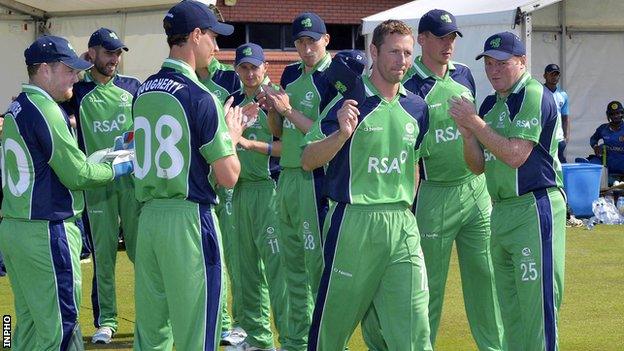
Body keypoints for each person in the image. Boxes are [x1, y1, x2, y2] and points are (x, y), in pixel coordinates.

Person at [301, 19, 432, 351]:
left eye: (407, 53)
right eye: (393, 52)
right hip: (354, 223)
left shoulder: (417, 107)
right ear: (373, 52)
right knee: (332, 328)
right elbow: (308, 159)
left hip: (402, 224)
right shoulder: (351, 102)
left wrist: (405, 209)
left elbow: (414, 163)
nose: (401, 61)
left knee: (415, 324)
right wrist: (341, 134)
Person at [0, 35, 133, 351]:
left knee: (31, 324)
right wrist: (119, 166)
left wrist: (100, 159)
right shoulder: (45, 109)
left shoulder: (18, 105)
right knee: (62, 328)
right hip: (46, 231)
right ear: (45, 70)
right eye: (69, 69)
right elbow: (78, 174)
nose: (76, 75)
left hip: (17, 228)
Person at [131, 1, 246, 350]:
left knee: (152, 334)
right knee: (198, 331)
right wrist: (233, 136)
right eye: (211, 36)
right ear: (195, 36)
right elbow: (228, 176)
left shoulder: (142, 90)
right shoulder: (201, 95)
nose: (215, 46)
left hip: (148, 219)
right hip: (189, 221)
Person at [449, 31, 566, 351]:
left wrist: (475, 124)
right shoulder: (489, 104)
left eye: (502, 62)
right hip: (500, 210)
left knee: (536, 307)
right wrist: (467, 135)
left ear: (523, 62)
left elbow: (516, 155)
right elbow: (476, 166)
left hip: (533, 205)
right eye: (488, 63)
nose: (493, 69)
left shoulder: (531, 93)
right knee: (510, 308)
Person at [397, 9, 504, 350]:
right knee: (428, 288)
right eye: (440, 37)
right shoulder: (409, 86)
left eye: (452, 38)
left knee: (486, 280)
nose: (448, 44)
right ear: (422, 39)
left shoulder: (466, 75)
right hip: (435, 195)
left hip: (475, 192)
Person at [259, 11, 335, 351]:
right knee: (291, 268)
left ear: (326, 40)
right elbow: (279, 133)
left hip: (314, 179)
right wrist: (273, 111)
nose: (306, 49)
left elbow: (328, 134)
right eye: (300, 43)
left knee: (317, 269)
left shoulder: (335, 76)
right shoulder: (289, 73)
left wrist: (288, 110)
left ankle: (326, 340)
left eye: (312, 41)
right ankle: (295, 341)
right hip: (286, 178)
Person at [62, 27, 142, 344]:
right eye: (108, 52)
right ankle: (106, 321)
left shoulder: (133, 88)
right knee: (104, 257)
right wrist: (81, 69)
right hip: (97, 185)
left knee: (142, 254)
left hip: (133, 184)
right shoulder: (78, 94)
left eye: (118, 52)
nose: (115, 59)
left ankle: (151, 313)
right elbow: (59, 93)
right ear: (92, 53)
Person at [224, 42, 287, 351]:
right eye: (244, 67)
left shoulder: (276, 97)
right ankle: (255, 338)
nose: (249, 73)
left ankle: (290, 340)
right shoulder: (232, 101)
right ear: (237, 69)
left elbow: (289, 148)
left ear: (265, 67)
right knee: (244, 270)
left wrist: (250, 145)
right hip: (239, 191)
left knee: (278, 270)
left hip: (269, 190)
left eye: (254, 67)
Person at [195, 12, 246, 344]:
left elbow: (242, 122)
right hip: (195, 184)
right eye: (212, 37)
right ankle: (214, 321)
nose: (216, 45)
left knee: (227, 255)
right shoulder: (184, 83)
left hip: (223, 181)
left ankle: (228, 322)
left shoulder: (229, 79)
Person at [589, 101, 624, 183]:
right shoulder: (603, 128)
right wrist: (596, 147)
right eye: (612, 114)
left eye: (618, 113)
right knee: (593, 162)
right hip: (609, 171)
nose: (615, 116)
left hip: (622, 170)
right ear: (608, 115)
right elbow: (593, 139)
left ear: (622, 113)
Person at [543, 63, 570, 163]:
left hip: (558, 138)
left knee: (560, 164)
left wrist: (566, 137)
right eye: (551, 74)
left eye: (556, 74)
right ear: (545, 76)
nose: (554, 77)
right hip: (543, 137)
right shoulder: (539, 92)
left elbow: (565, 117)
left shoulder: (563, 94)